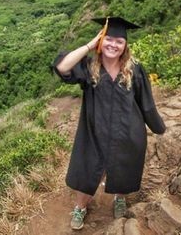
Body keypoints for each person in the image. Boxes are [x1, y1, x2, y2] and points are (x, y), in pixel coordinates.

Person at [52, 16, 166, 231]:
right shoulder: (88, 67)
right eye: (109, 39)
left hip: (127, 131)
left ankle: (119, 198)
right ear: (101, 40)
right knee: (87, 169)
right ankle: (80, 207)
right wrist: (90, 45)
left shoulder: (135, 69)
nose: (113, 44)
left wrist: (159, 128)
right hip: (94, 132)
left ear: (125, 46)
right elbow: (62, 67)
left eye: (119, 41)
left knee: (123, 166)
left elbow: (147, 104)